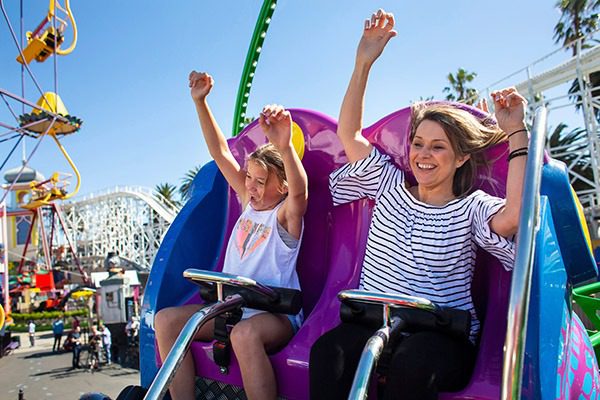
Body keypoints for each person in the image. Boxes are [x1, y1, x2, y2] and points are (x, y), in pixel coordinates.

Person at [309, 9, 528, 400]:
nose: (423, 155)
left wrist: (516, 134)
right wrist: (363, 62)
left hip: (439, 333)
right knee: (329, 353)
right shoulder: (387, 182)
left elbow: (513, 217)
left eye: (438, 147)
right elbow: (349, 133)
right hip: (373, 318)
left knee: (413, 364)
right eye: (418, 144)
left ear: (461, 157)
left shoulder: (471, 207)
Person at [154, 71, 308, 400]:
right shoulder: (248, 203)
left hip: (274, 315)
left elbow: (300, 193)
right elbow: (220, 152)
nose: (250, 186)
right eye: (248, 177)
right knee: (166, 320)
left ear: (280, 186)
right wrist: (201, 102)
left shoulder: (285, 216)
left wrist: (284, 146)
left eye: (260, 180)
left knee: (244, 335)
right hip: (232, 308)